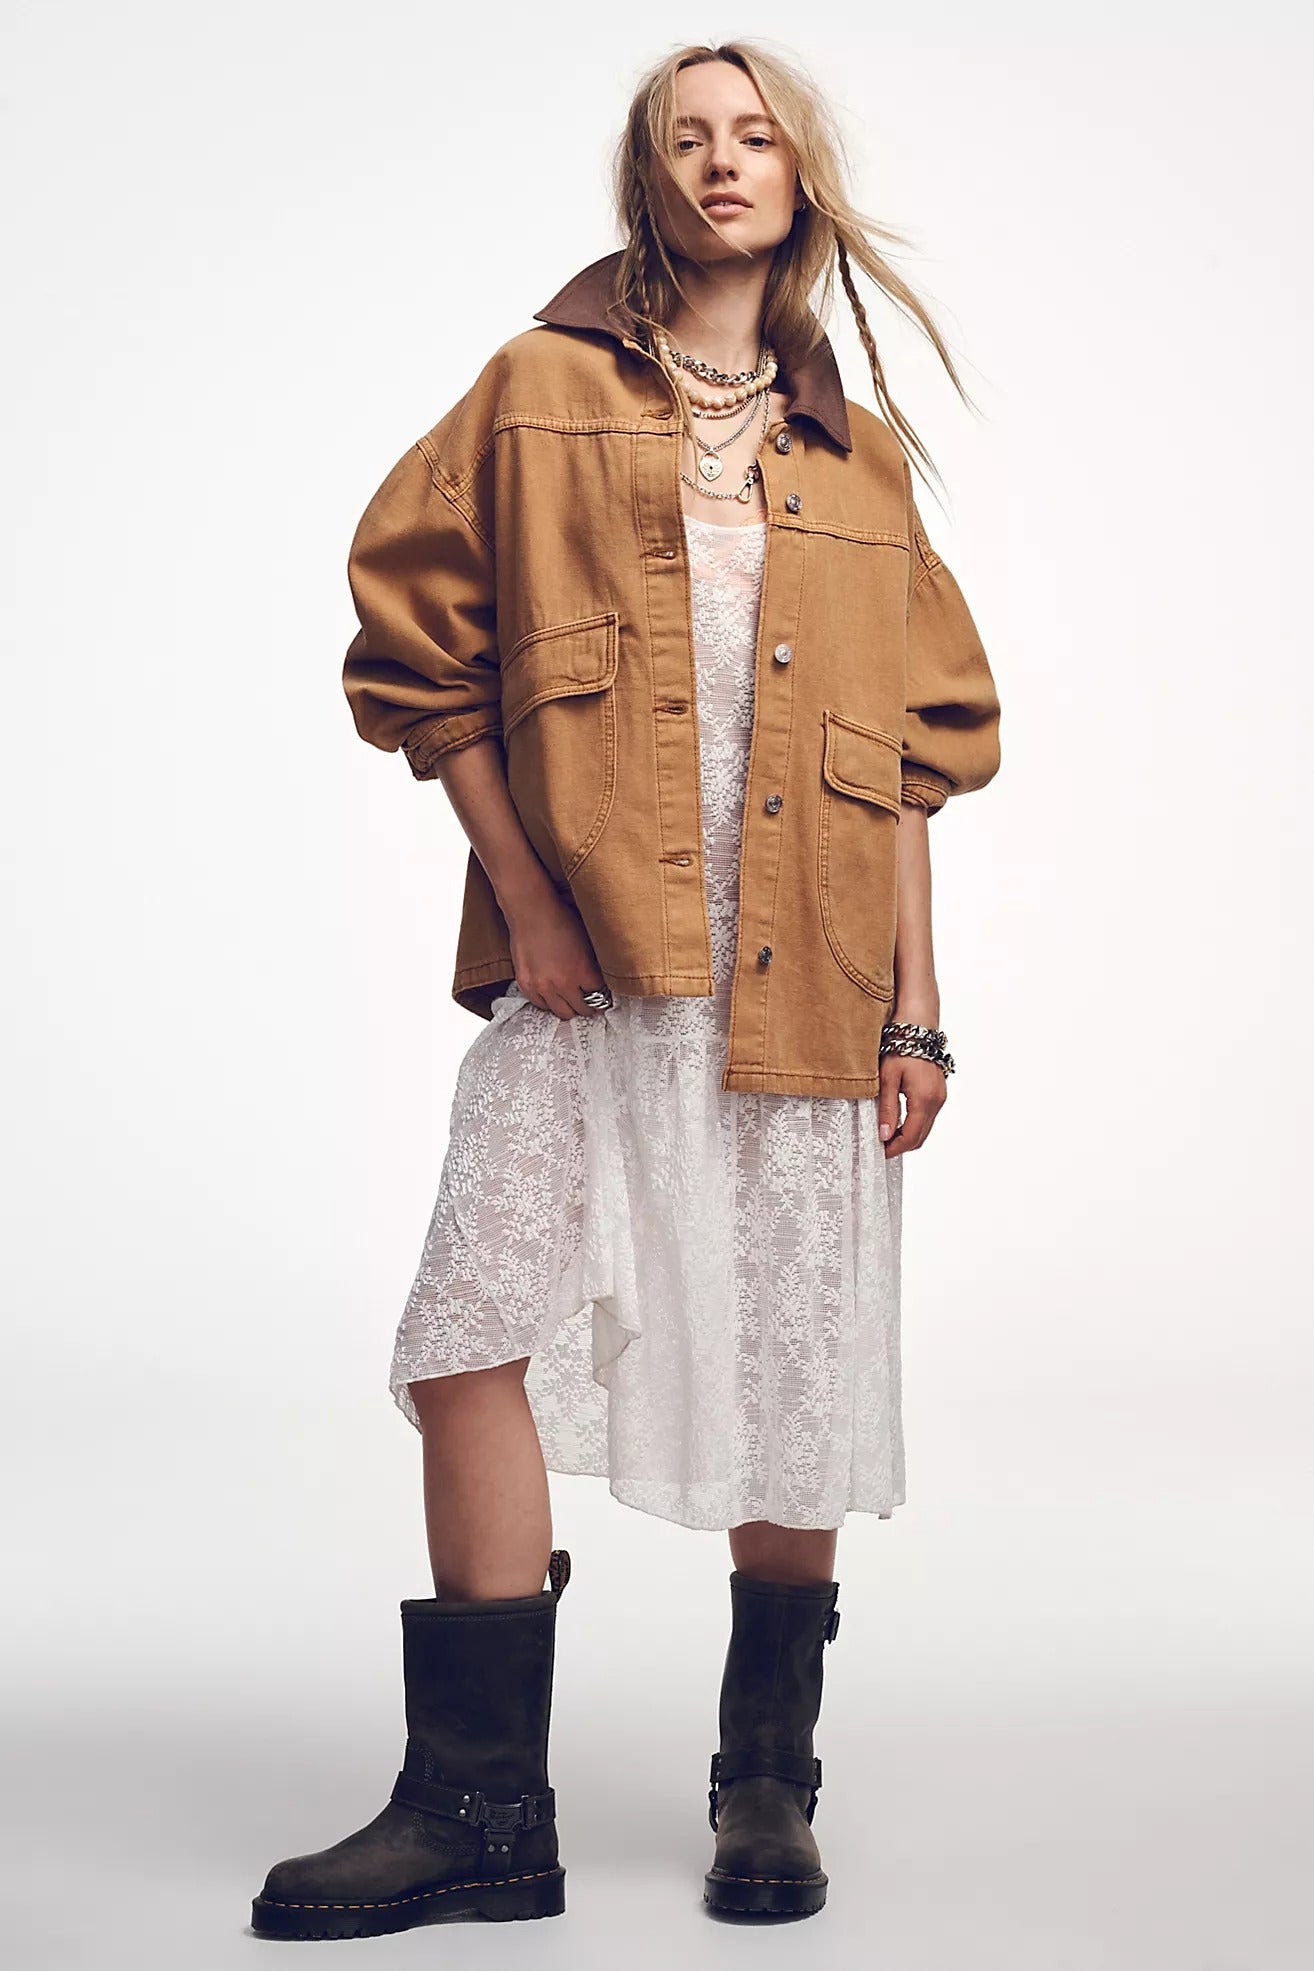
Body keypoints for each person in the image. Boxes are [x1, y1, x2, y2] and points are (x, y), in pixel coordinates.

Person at [251, 37, 1001, 1941]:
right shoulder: (531, 396)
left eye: (753, 135)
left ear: (799, 176)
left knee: (788, 1367)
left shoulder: (858, 459)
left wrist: (919, 1009)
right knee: (465, 1336)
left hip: (815, 984)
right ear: (645, 183)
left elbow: (907, 763)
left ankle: (766, 1786)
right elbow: (420, 663)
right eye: (685, 138)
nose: (719, 161)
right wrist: (530, 902)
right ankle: (482, 1814)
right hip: (592, 967)